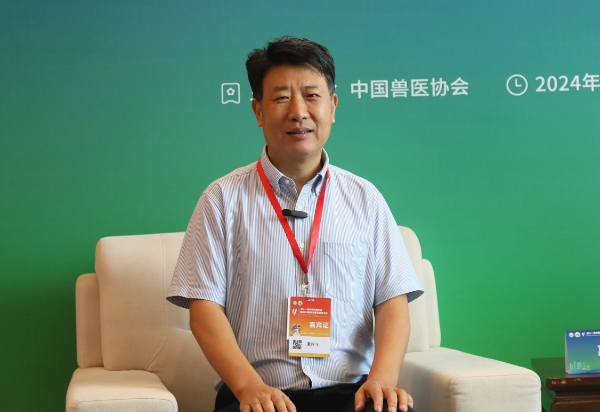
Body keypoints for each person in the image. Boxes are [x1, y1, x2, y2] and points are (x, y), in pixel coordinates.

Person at [167, 36, 423, 412]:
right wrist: (248, 387)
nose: (298, 112)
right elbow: (204, 309)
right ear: (258, 110)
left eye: (311, 95)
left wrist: (382, 380)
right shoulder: (221, 199)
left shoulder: (365, 198)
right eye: (282, 97)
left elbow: (392, 301)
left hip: (352, 393)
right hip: (258, 395)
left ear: (333, 106)